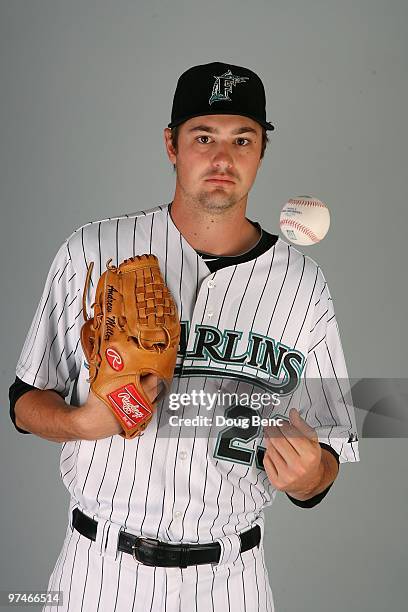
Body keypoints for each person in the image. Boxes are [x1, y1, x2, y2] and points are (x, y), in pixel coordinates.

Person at [9, 61, 360, 612]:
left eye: (242, 139)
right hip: (98, 571)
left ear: (262, 151)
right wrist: (79, 423)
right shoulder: (91, 250)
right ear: (171, 145)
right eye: (204, 137)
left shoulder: (303, 286)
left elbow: (333, 449)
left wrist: (310, 476)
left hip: (232, 581)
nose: (223, 158)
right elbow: (23, 401)